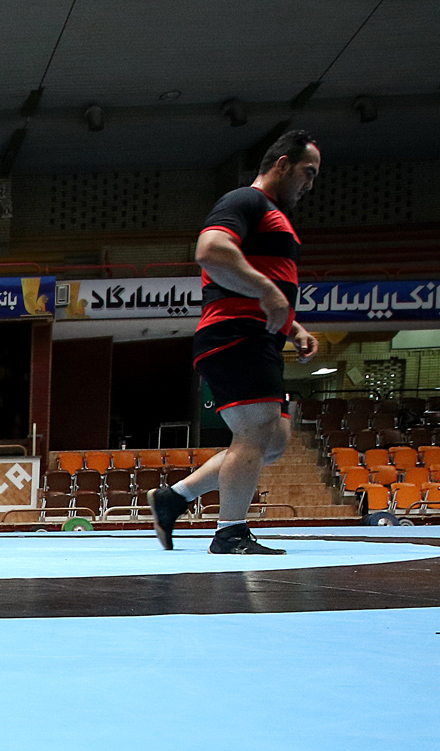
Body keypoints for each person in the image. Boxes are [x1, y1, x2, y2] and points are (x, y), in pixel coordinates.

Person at [148, 130, 322, 556]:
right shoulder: (246, 200)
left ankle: (175, 498)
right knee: (256, 430)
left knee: (273, 439)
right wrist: (267, 290)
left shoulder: (272, 214)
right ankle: (230, 533)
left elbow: (267, 283)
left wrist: (293, 328)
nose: (310, 183)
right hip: (236, 334)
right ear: (282, 164)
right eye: (307, 171)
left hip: (259, 336)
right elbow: (210, 249)